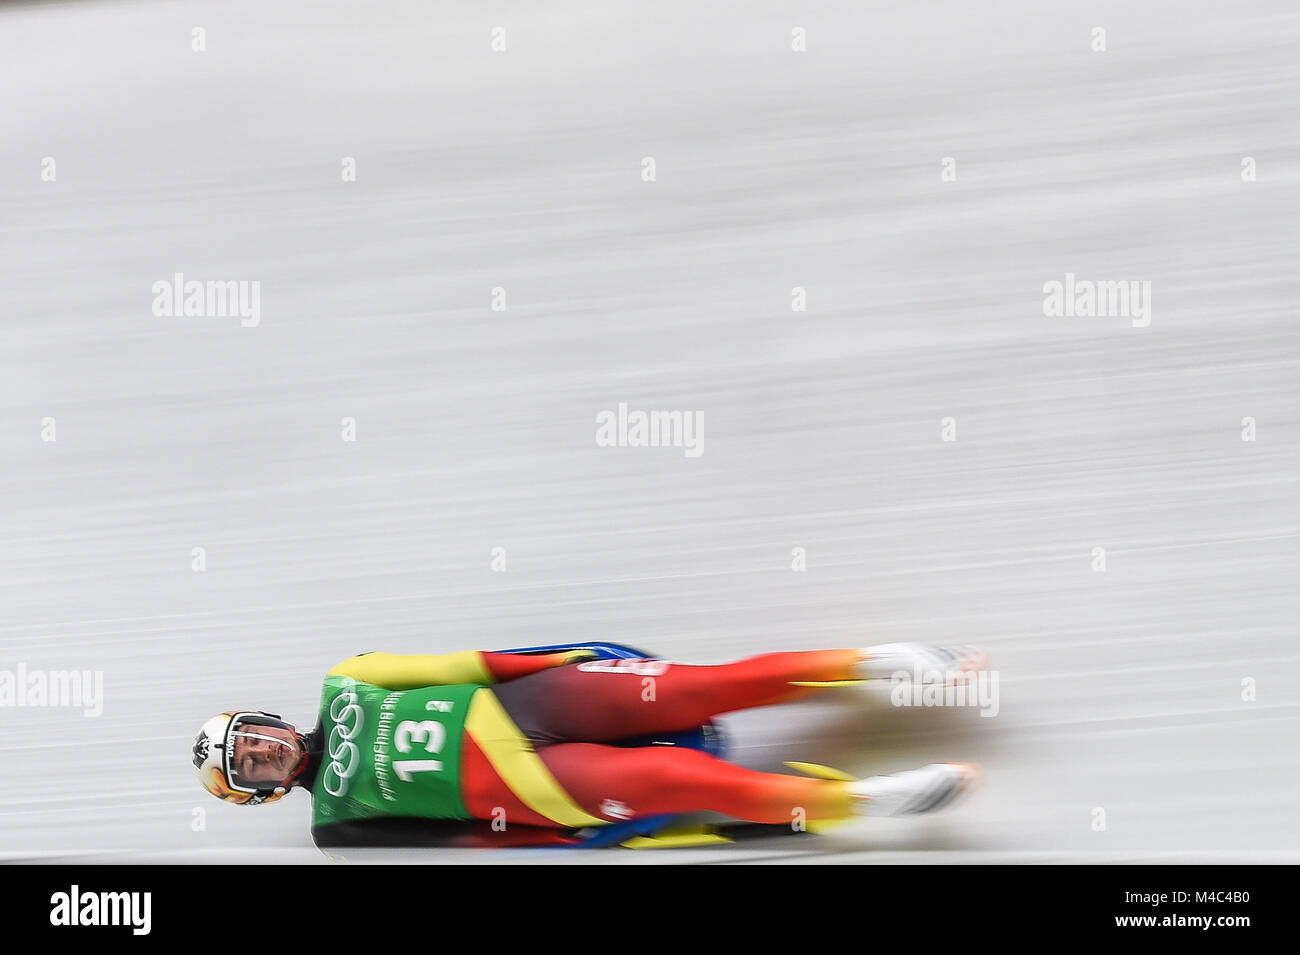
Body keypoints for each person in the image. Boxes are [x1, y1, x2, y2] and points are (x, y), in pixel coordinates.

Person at [192, 643, 987, 847]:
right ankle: (878, 799)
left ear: (267, 717)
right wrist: (563, 839)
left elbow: (457, 665)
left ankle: (884, 661)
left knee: (703, 686)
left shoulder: (347, 681)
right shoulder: (334, 827)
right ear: (259, 789)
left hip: (532, 697)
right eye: (252, 764)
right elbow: (457, 843)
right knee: (688, 778)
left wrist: (563, 657)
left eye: (255, 735)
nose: (266, 750)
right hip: (532, 787)